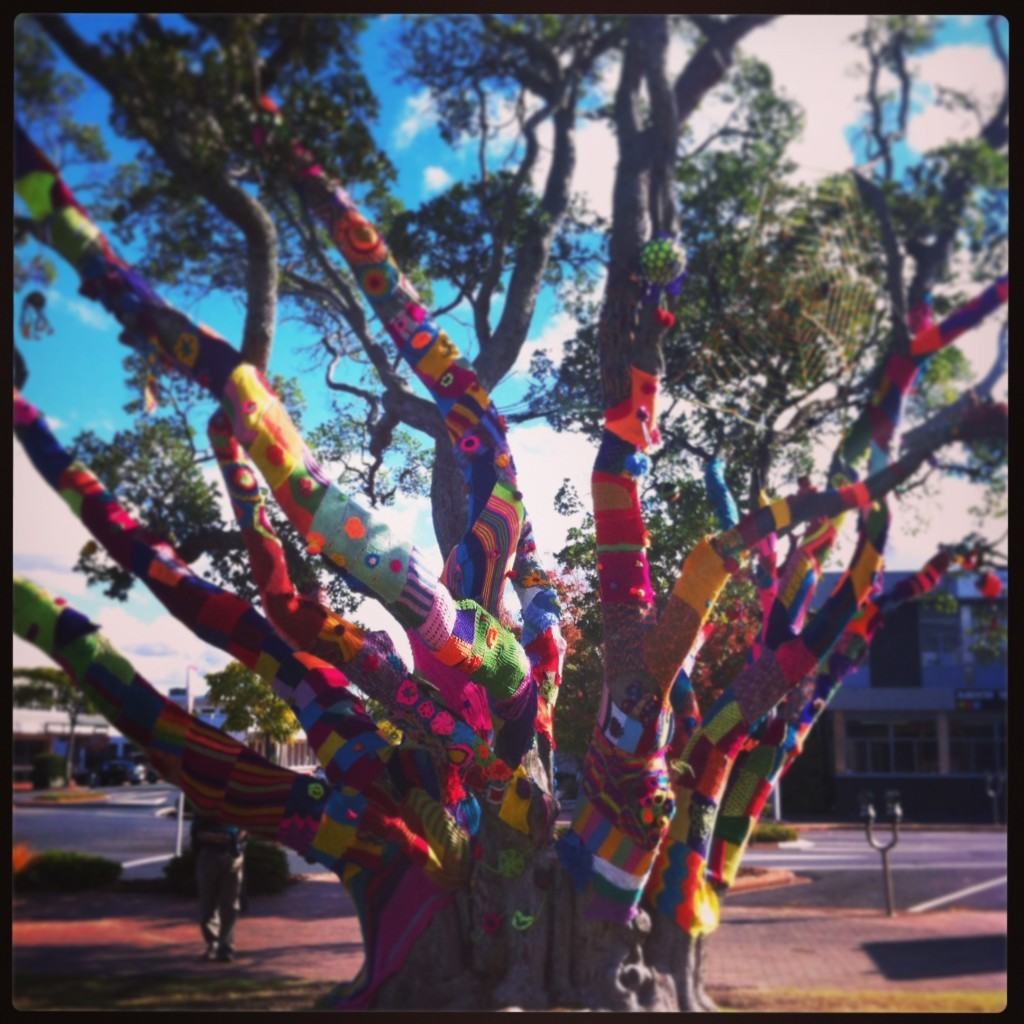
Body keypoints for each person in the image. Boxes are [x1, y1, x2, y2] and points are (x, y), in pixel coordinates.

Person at [191, 813, 247, 962]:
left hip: (233, 856)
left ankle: (226, 946)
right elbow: (198, 833)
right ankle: (212, 944)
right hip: (209, 856)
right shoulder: (206, 806)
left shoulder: (239, 804)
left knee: (230, 904)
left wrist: (237, 838)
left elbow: (247, 828)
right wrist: (215, 838)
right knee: (208, 903)